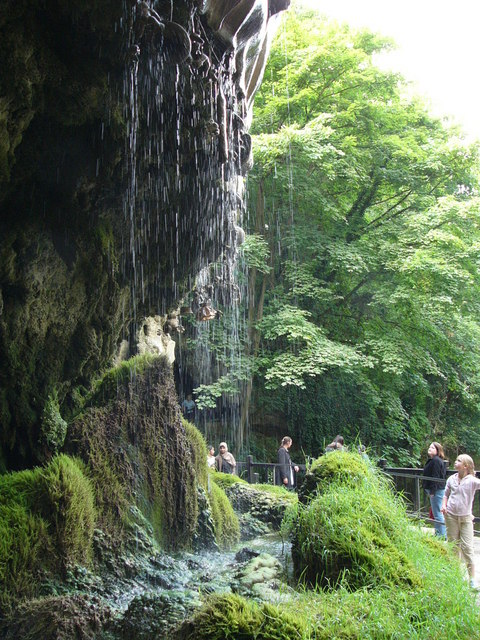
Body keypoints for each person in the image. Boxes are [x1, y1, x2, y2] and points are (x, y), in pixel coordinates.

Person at [441, 454, 480, 588]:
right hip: (451, 516)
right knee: (452, 546)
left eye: (458, 461)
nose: (455, 462)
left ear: (466, 466)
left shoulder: (472, 481)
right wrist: (443, 505)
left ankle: (472, 579)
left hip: (465, 518)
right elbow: (446, 494)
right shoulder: (451, 479)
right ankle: (454, 576)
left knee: (467, 548)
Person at [422, 441, 446, 537]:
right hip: (436, 490)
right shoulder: (433, 460)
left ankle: (441, 535)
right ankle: (439, 533)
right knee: (436, 512)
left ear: (437, 450)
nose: (430, 448)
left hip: (437, 490)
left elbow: (435, 477)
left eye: (432, 448)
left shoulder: (436, 461)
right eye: (429, 447)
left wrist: (432, 491)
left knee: (437, 513)